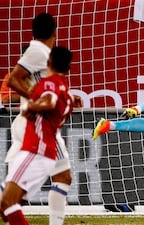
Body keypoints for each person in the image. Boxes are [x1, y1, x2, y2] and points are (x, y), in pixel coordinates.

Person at [4, 13, 79, 225]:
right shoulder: (38, 50)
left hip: (34, 121)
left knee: (15, 187)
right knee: (61, 177)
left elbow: (46, 88)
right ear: (55, 30)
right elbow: (14, 79)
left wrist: (67, 97)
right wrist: (34, 100)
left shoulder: (46, 53)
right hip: (40, 123)